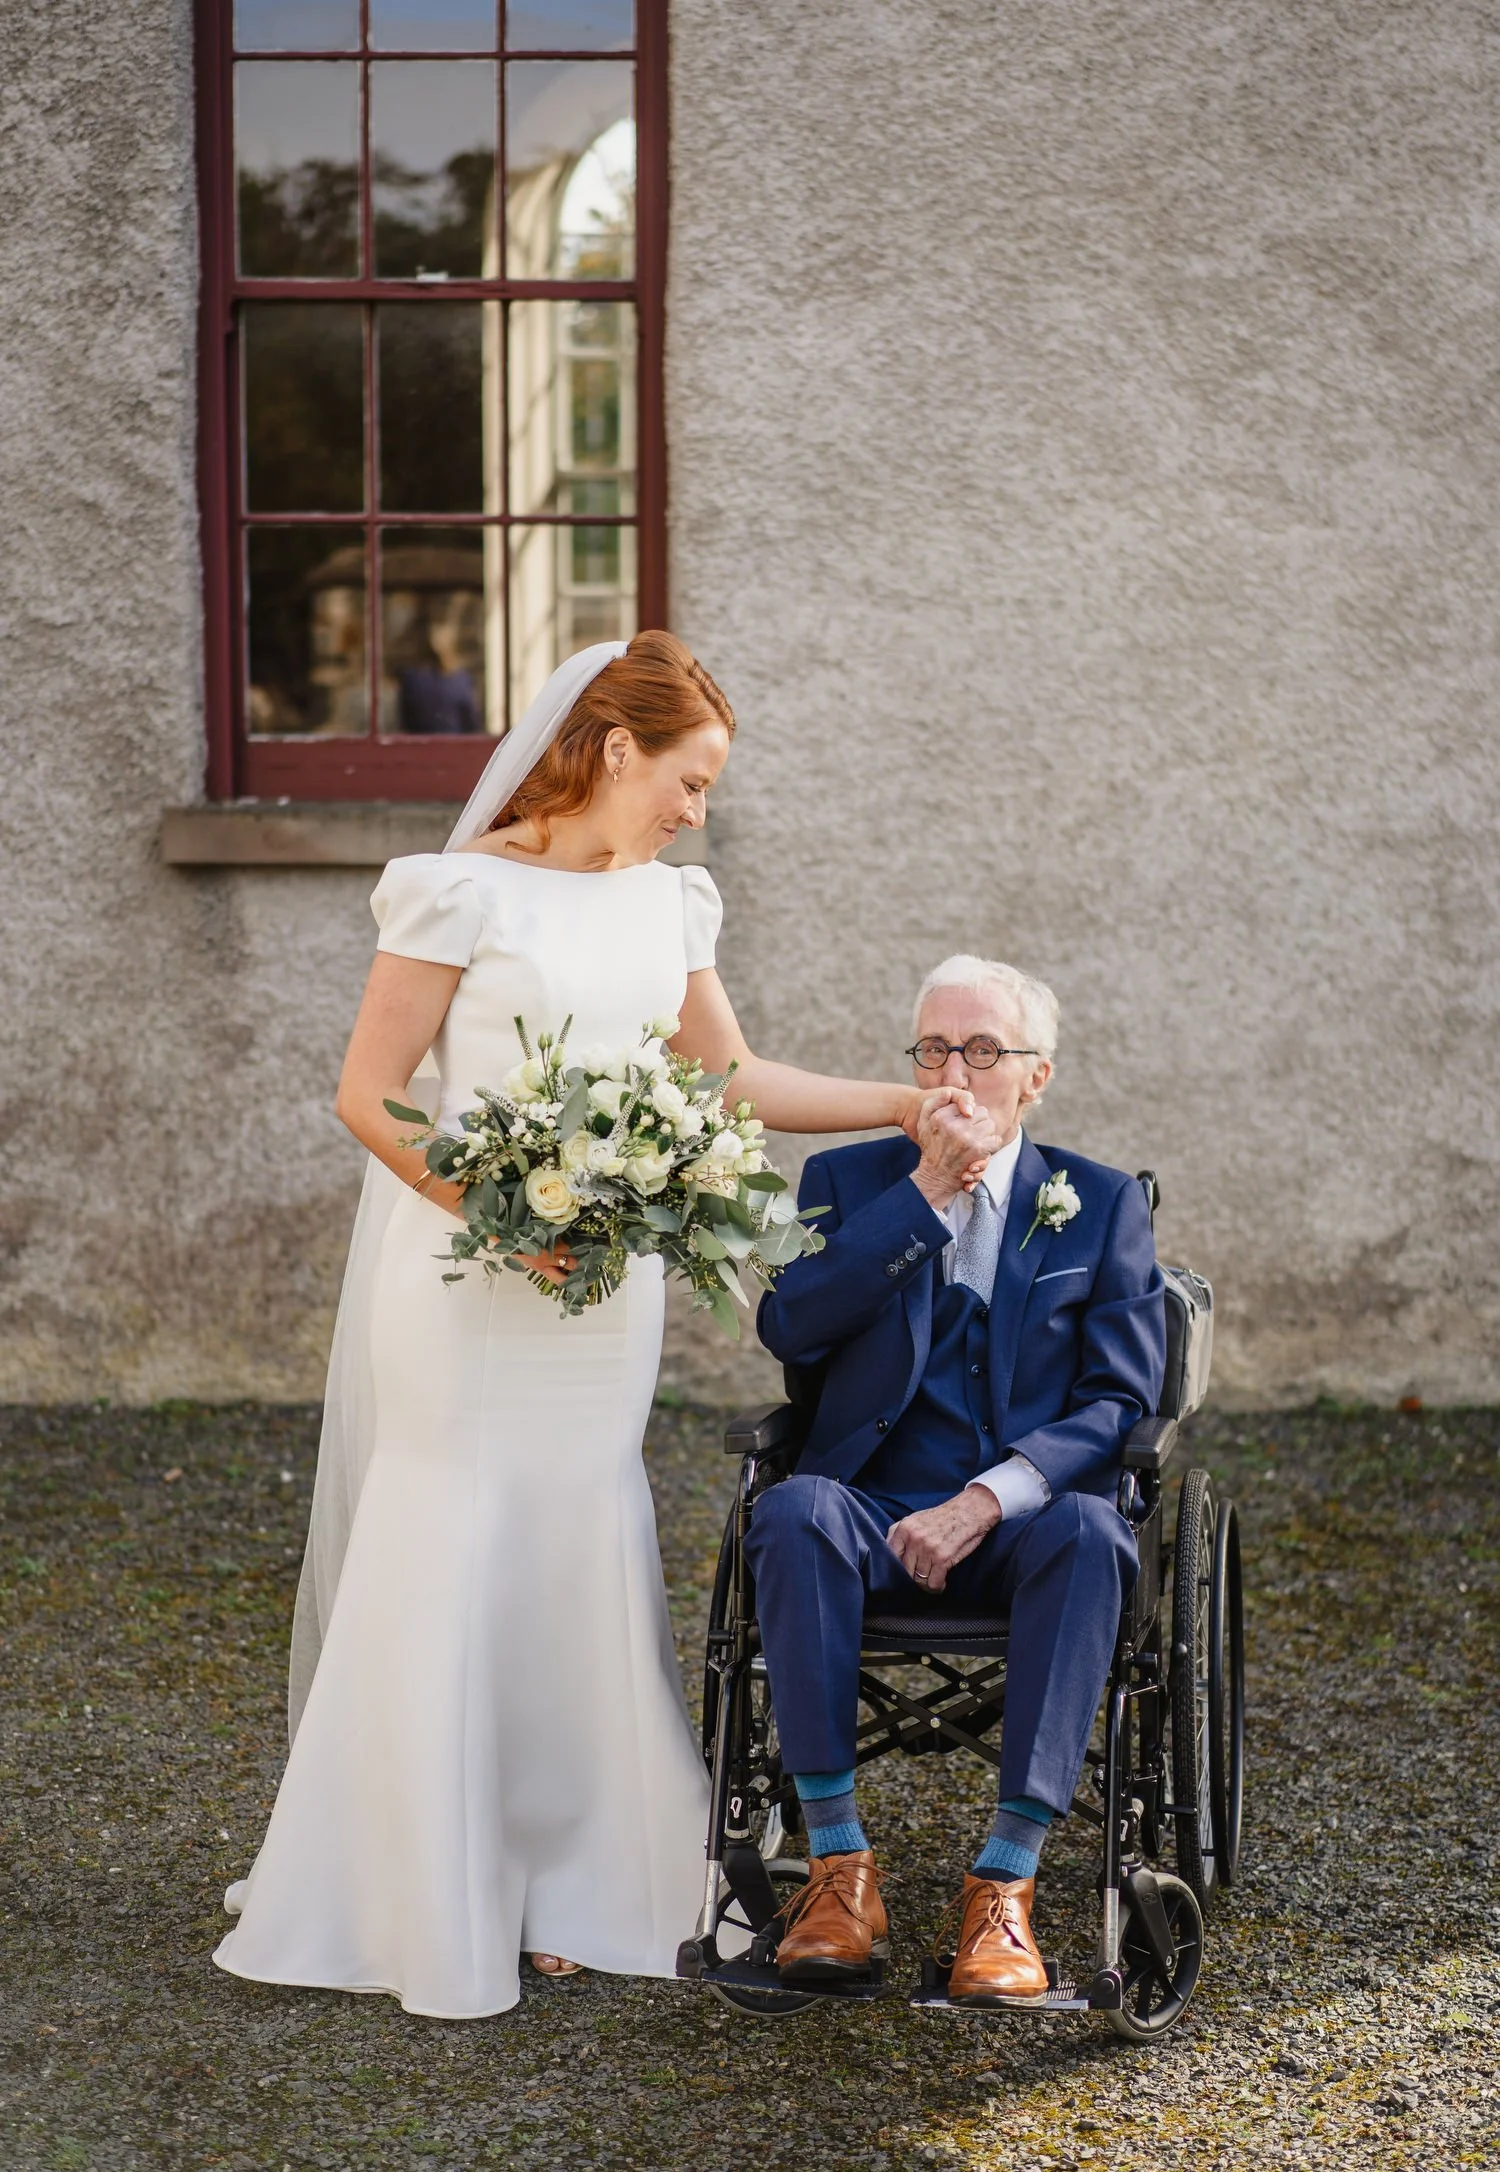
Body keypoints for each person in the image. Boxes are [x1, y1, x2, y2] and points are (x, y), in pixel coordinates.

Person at [213, 632, 979, 2019]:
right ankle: (428, 1882)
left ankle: (573, 1877)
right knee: (455, 1524)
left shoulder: (671, 905)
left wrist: (901, 1101)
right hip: (469, 1280)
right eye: (690, 780)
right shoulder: (455, 893)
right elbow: (371, 1093)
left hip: (602, 1291)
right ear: (616, 748)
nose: (701, 811)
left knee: (578, 1528)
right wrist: (500, 1205)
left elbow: (732, 1077)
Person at [746, 954, 1166, 2003]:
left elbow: (1120, 1402)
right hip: (870, 1507)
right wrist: (928, 1193)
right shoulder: (845, 1184)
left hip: (1019, 1523)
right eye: (934, 1049)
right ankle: (840, 1870)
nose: (955, 1074)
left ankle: (1006, 1887)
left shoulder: (1102, 1203)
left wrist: (988, 1499)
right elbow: (788, 1325)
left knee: (1092, 1535)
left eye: (983, 1051)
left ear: (1037, 1078)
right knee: (792, 1509)